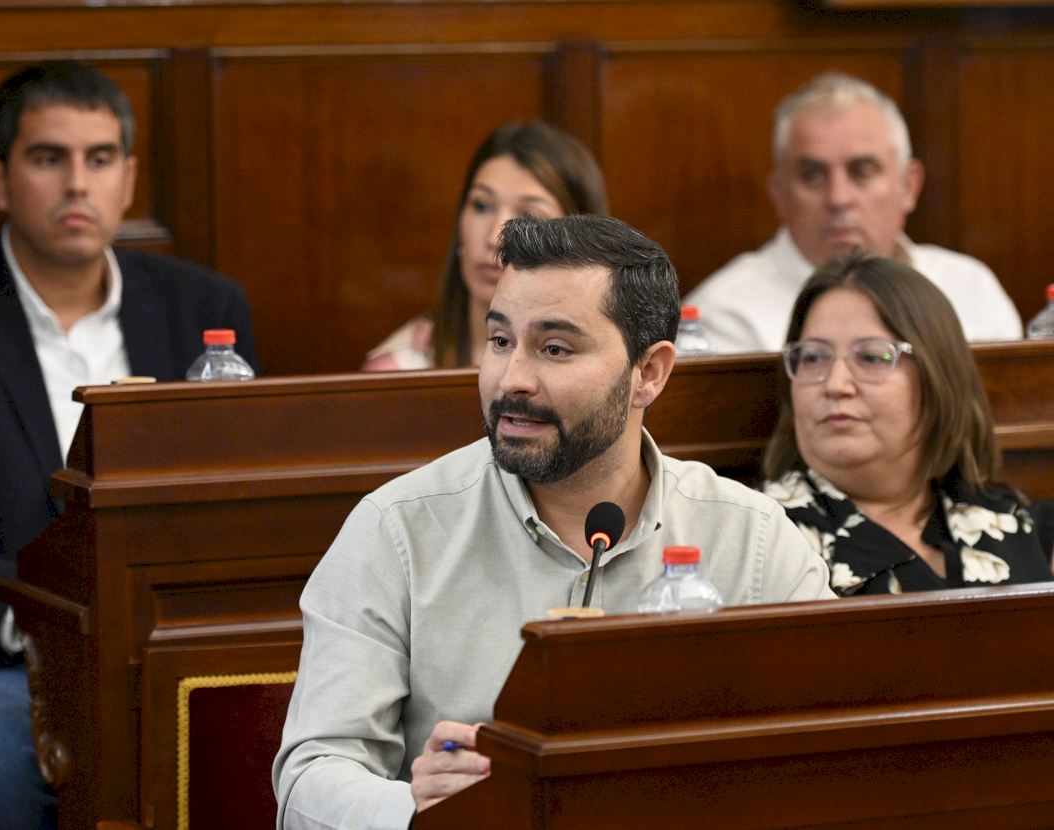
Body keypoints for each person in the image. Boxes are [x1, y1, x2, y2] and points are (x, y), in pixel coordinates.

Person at [275, 214, 834, 829]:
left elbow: (839, 754)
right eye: (499, 341)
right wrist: (417, 809)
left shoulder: (753, 541)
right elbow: (310, 779)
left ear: (649, 373)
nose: (511, 379)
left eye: (555, 349)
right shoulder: (397, 531)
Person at [0, 61, 258, 829]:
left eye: (99, 159)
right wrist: (46, 617)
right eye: (49, 157)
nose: (78, 183)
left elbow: (243, 498)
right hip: (5, 661)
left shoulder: (203, 306)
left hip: (179, 649)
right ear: (0, 180)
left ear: (128, 179)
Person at [762, 254, 1052, 595]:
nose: (836, 384)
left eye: (872, 356)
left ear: (937, 376)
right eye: (813, 357)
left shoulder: (1016, 520)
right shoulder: (760, 536)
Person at [685, 72, 1022, 353]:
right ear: (779, 195)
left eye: (862, 171)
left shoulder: (970, 290)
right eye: (812, 176)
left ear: (909, 186)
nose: (839, 198)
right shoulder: (725, 318)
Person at [361, 121, 608, 371]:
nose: (494, 238)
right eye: (481, 206)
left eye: (529, 216)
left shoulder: (608, 368)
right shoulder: (399, 370)